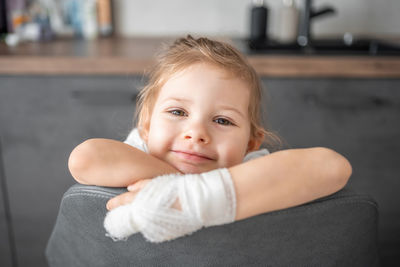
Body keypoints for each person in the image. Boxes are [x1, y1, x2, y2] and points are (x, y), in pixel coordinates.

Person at [68, 35, 352, 243]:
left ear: (252, 143)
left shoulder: (251, 166)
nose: (197, 134)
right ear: (146, 126)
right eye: (178, 112)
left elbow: (333, 167)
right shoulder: (139, 151)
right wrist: (181, 182)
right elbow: (85, 159)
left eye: (222, 120)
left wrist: (188, 197)